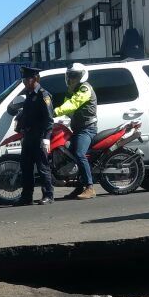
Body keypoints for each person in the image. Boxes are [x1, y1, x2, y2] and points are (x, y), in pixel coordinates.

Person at [54, 63, 98, 199]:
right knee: (69, 155)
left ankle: (90, 187)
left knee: (79, 154)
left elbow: (74, 103)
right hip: (77, 129)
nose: (71, 79)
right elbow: (69, 107)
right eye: (70, 76)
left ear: (82, 76)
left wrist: (55, 111)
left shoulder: (85, 89)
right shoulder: (72, 90)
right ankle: (79, 187)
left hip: (87, 129)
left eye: (74, 76)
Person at [14, 65, 55, 205]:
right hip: (28, 136)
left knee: (43, 167)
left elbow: (49, 119)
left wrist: (46, 138)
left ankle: (48, 195)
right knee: (26, 167)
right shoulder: (29, 94)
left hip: (39, 136)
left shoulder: (43, 95)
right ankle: (26, 197)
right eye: (24, 80)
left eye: (27, 79)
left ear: (35, 78)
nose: (25, 82)